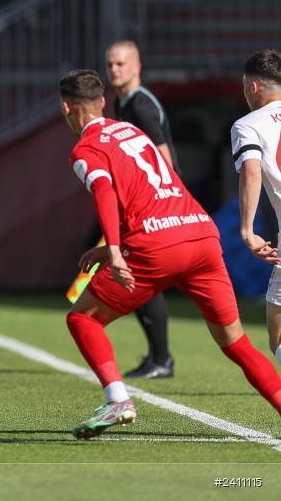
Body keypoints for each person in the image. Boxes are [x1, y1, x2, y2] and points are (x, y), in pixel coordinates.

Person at [59, 69, 281, 439]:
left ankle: (117, 399)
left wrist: (113, 248)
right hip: (200, 233)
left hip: (156, 246)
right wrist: (111, 249)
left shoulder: (85, 148)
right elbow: (155, 188)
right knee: (238, 343)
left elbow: (104, 191)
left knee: (82, 319)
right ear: (102, 102)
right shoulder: (134, 132)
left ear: (67, 108)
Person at [105, 40, 177, 379]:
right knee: (137, 280)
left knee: (143, 280)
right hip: (143, 206)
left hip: (157, 207)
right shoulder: (124, 104)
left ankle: (162, 359)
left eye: (120, 63)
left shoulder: (141, 106)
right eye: (110, 64)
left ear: (137, 67)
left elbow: (164, 158)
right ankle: (158, 357)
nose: (114, 69)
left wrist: (150, 201)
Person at [231, 48, 281, 367]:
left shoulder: (248, 124)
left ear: (253, 87)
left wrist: (248, 232)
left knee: (277, 331)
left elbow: (251, 170)